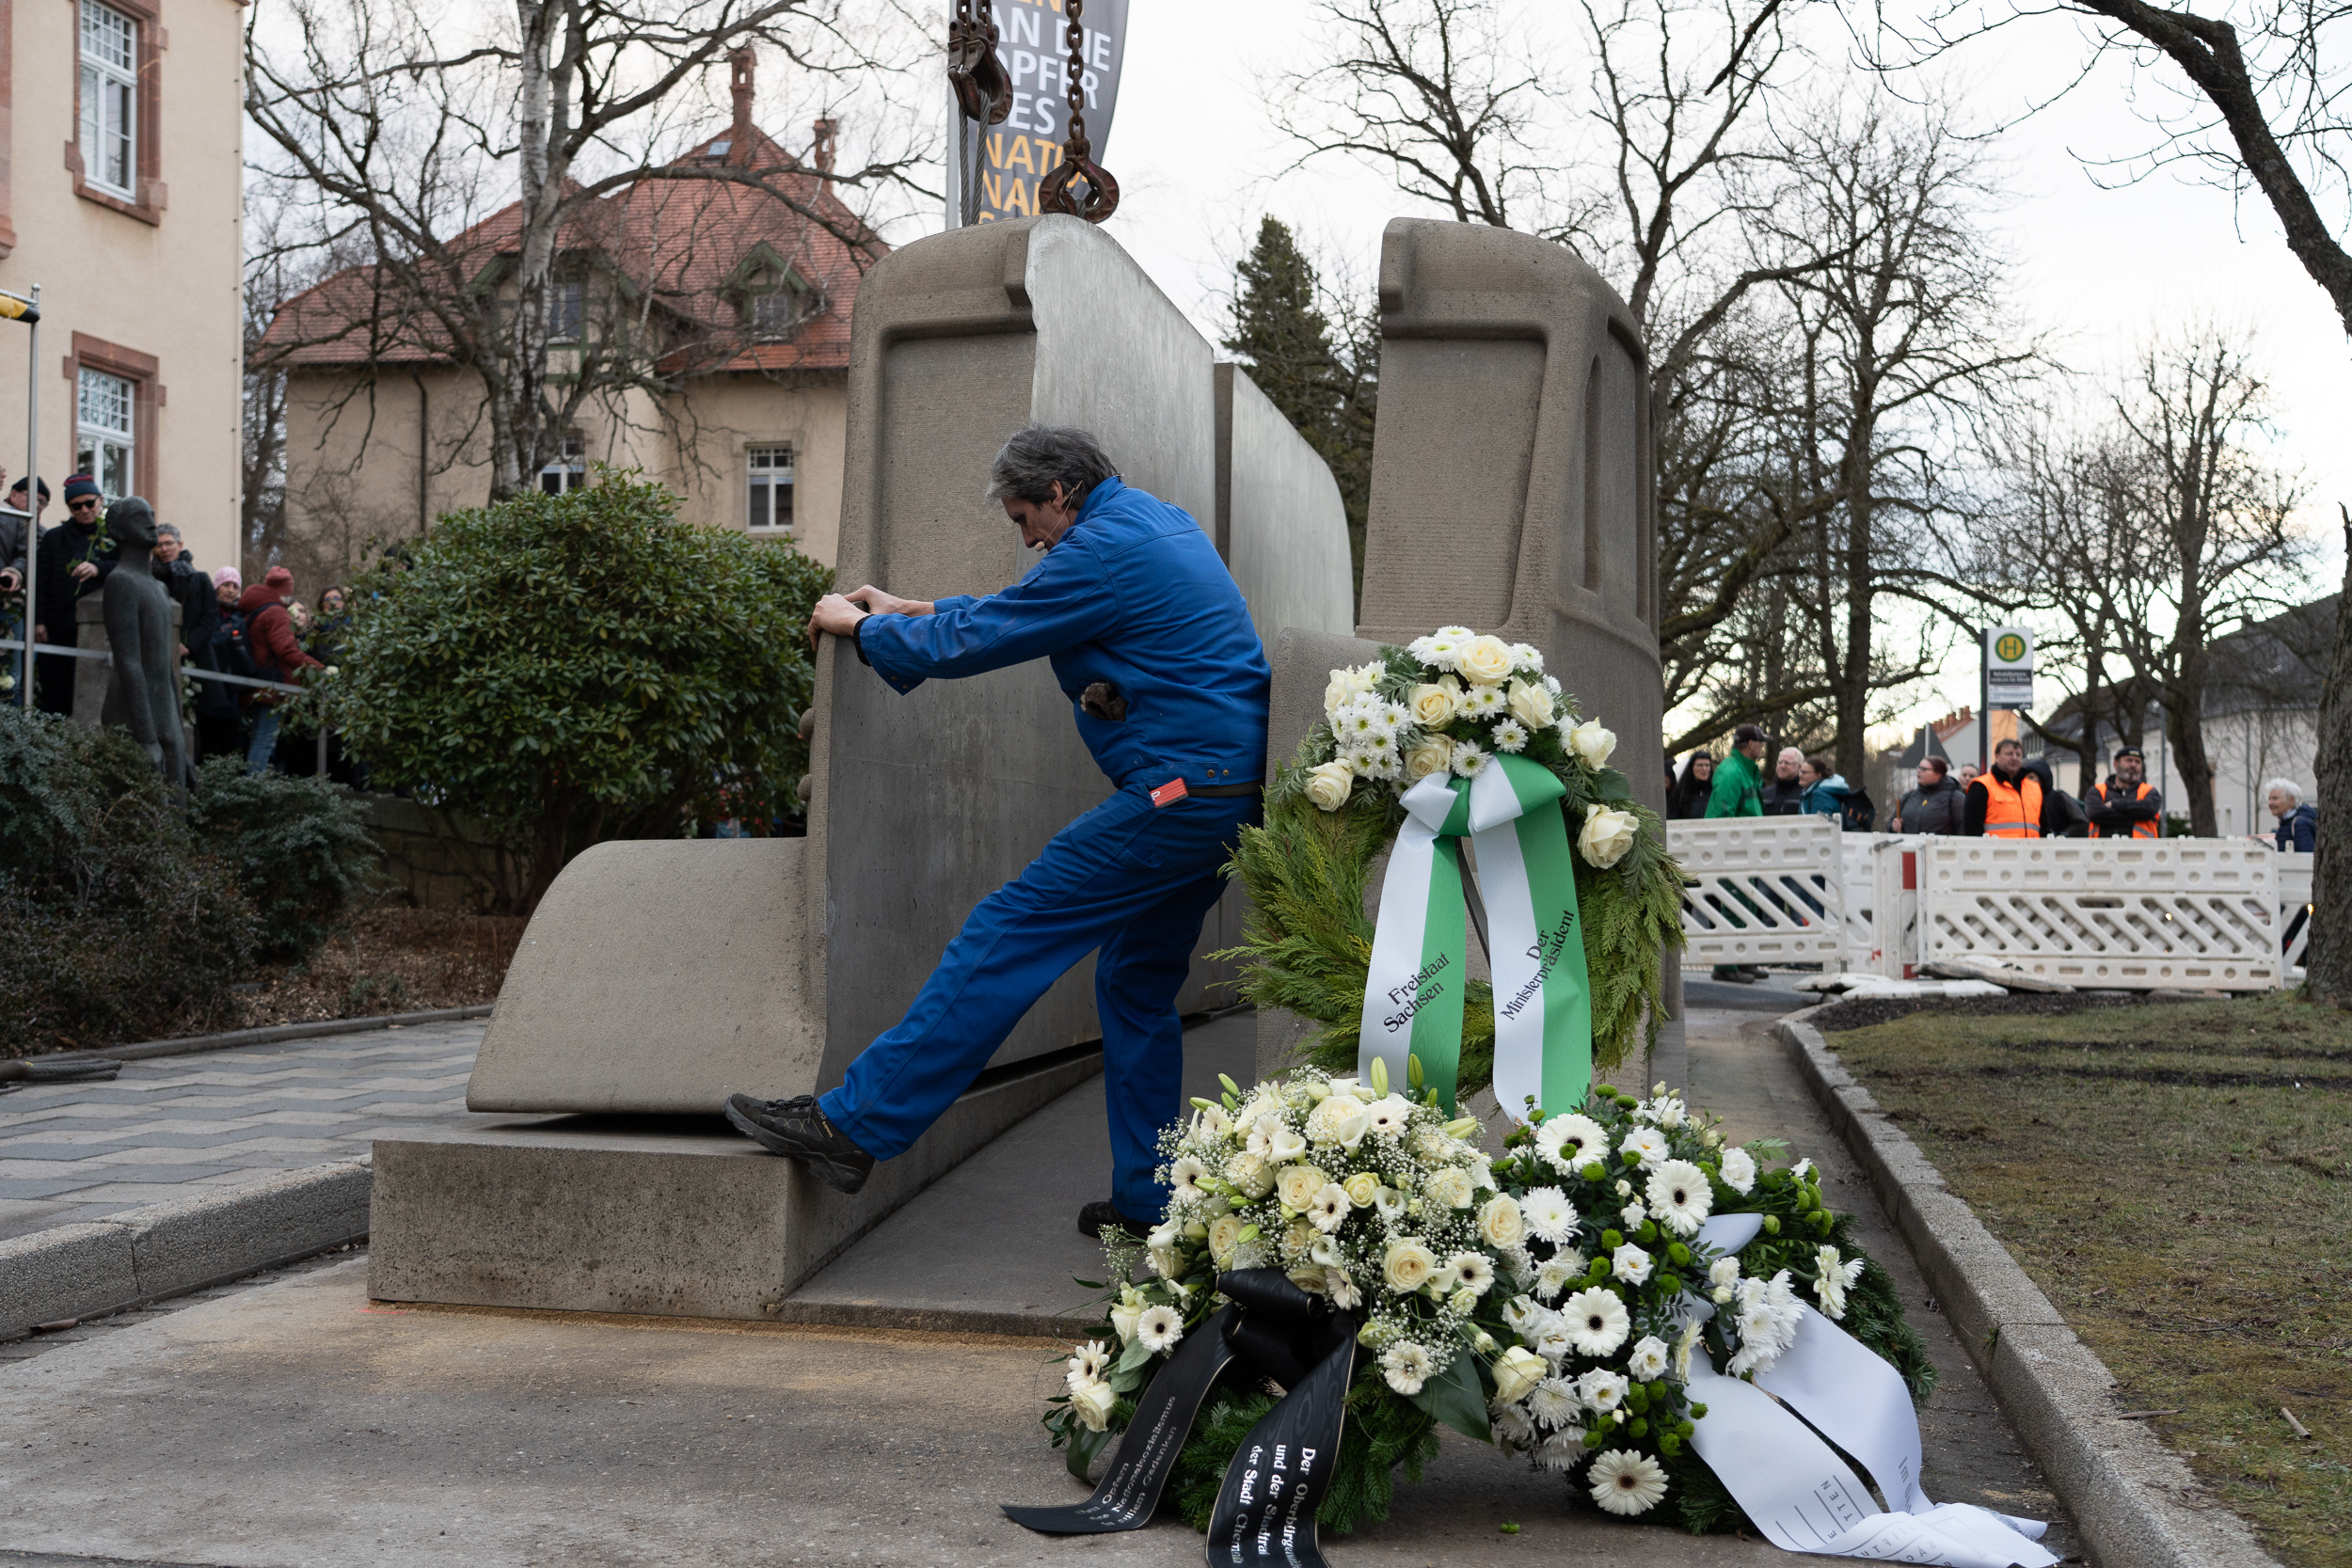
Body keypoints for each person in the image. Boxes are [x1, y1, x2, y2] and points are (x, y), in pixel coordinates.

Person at [718, 426, 1272, 1240]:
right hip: (1226, 790)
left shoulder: (1102, 550)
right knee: (1134, 982)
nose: (1026, 537)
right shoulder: (1153, 523)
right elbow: (1024, 609)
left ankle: (855, 1124)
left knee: (1009, 928)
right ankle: (1152, 1200)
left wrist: (859, 626)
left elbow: (982, 638)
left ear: (1062, 494)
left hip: (1179, 794)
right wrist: (914, 608)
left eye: (1024, 517)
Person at [32, 475, 115, 715]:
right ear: (69, 507)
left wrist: (99, 569)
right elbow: (41, 580)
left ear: (100, 500)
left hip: (96, 629)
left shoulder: (111, 536)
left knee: (92, 693)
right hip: (57, 626)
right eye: (76, 506)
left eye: (90, 503)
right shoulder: (54, 537)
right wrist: (38, 620)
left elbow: (128, 567)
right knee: (54, 692)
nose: (85, 510)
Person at [235, 565, 326, 774]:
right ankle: (253, 790)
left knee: (259, 737)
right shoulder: (276, 612)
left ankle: (251, 787)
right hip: (273, 684)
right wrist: (319, 668)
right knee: (265, 741)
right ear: (286, 589)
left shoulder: (256, 609)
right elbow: (286, 649)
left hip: (260, 682)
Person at [1964, 737, 2069, 838]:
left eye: (2018, 754)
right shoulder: (1981, 786)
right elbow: (1972, 828)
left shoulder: (2034, 788)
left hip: (2031, 852)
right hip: (1996, 853)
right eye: (2009, 754)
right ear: (1996, 757)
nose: (2014, 758)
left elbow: (2043, 827)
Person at [197, 567, 250, 761]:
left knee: (228, 743)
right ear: (217, 587)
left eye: (235, 586)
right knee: (206, 742)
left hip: (231, 689)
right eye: (226, 585)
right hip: (208, 684)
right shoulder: (207, 612)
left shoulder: (242, 616)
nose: (230, 590)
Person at [2084, 745, 2163, 839]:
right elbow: (2094, 813)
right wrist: (2135, 816)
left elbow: (2148, 810)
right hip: (2103, 850)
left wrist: (2115, 804)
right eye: (2129, 760)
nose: (2133, 764)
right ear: (2116, 764)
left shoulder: (2149, 791)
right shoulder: (2098, 791)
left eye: (2137, 762)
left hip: (2140, 851)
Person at [1892, 756, 1966, 834]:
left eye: (1924, 769)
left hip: (1941, 846)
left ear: (1937, 774)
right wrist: (1893, 826)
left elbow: (1962, 830)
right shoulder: (1909, 796)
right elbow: (1891, 824)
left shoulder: (1955, 798)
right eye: (1918, 768)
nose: (1918, 771)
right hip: (1909, 845)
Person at [2267, 779, 2317, 852]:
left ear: (2291, 801)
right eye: (2269, 799)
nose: (2270, 803)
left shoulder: (2300, 824)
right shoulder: (2287, 822)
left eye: (2275, 798)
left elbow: (2305, 857)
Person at [1797, 753, 1851, 820]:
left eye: (1804, 772)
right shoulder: (1817, 791)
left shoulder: (1820, 795)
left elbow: (1820, 825)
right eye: (1800, 771)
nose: (1800, 775)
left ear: (1818, 775)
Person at [1665, 752, 1715, 819]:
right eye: (1700, 765)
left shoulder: (1715, 792)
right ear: (1692, 767)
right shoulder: (1681, 793)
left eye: (1707, 765)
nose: (1704, 769)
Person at [1759, 746, 1808, 814]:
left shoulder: (1806, 795)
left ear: (1799, 767)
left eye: (1787, 763)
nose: (1782, 766)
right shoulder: (1764, 794)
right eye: (1780, 762)